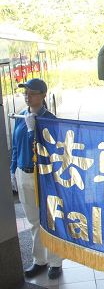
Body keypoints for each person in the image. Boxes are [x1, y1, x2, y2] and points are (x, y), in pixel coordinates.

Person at [10, 78, 63, 280]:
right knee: (33, 221)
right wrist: (13, 170)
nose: (28, 96)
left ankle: (55, 262)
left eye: (32, 92)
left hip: (43, 175)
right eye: (26, 92)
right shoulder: (21, 116)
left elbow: (52, 150)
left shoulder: (49, 119)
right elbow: (16, 146)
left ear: (42, 95)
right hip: (23, 173)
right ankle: (39, 260)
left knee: (48, 219)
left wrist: (34, 132)